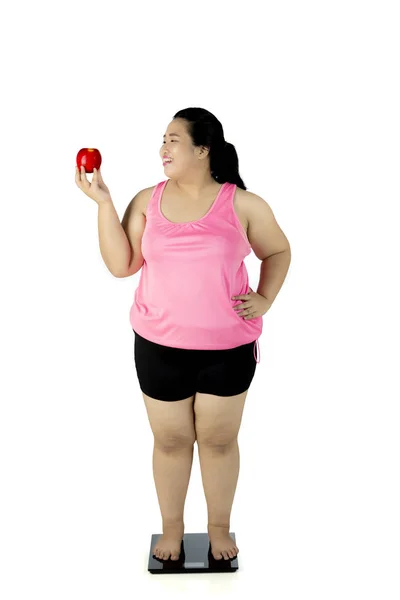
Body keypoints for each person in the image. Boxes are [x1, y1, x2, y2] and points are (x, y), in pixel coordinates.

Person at [75, 107, 291, 562]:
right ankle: (171, 530)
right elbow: (121, 266)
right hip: (159, 346)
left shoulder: (244, 204)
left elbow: (278, 250)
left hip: (227, 348)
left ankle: (218, 530)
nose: (163, 148)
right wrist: (104, 205)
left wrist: (265, 299)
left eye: (174, 140)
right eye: (163, 139)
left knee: (217, 441)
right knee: (171, 442)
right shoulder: (145, 200)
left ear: (202, 149)